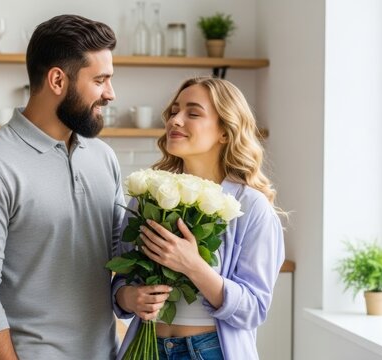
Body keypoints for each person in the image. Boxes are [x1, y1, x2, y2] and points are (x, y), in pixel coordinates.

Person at [0, 14, 124, 359]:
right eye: (100, 80)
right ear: (58, 80)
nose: (111, 94)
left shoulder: (104, 157)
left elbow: (119, 261)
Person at [112, 77, 286, 360]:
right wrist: (130, 298)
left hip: (209, 351)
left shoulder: (249, 206)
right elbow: (120, 282)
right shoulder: (148, 196)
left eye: (192, 113)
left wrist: (194, 266)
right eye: (173, 111)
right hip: (145, 349)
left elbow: (254, 309)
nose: (175, 120)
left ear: (225, 133)